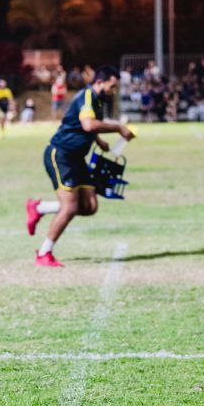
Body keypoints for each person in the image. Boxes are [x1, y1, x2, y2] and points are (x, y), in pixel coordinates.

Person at [26, 65, 135, 267]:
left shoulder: (98, 100)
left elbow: (86, 126)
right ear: (99, 82)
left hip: (77, 158)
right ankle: (43, 253)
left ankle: (38, 208)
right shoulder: (87, 96)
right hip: (61, 155)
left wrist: (98, 141)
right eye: (112, 86)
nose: (113, 91)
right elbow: (88, 124)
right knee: (69, 207)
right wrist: (119, 128)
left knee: (89, 206)